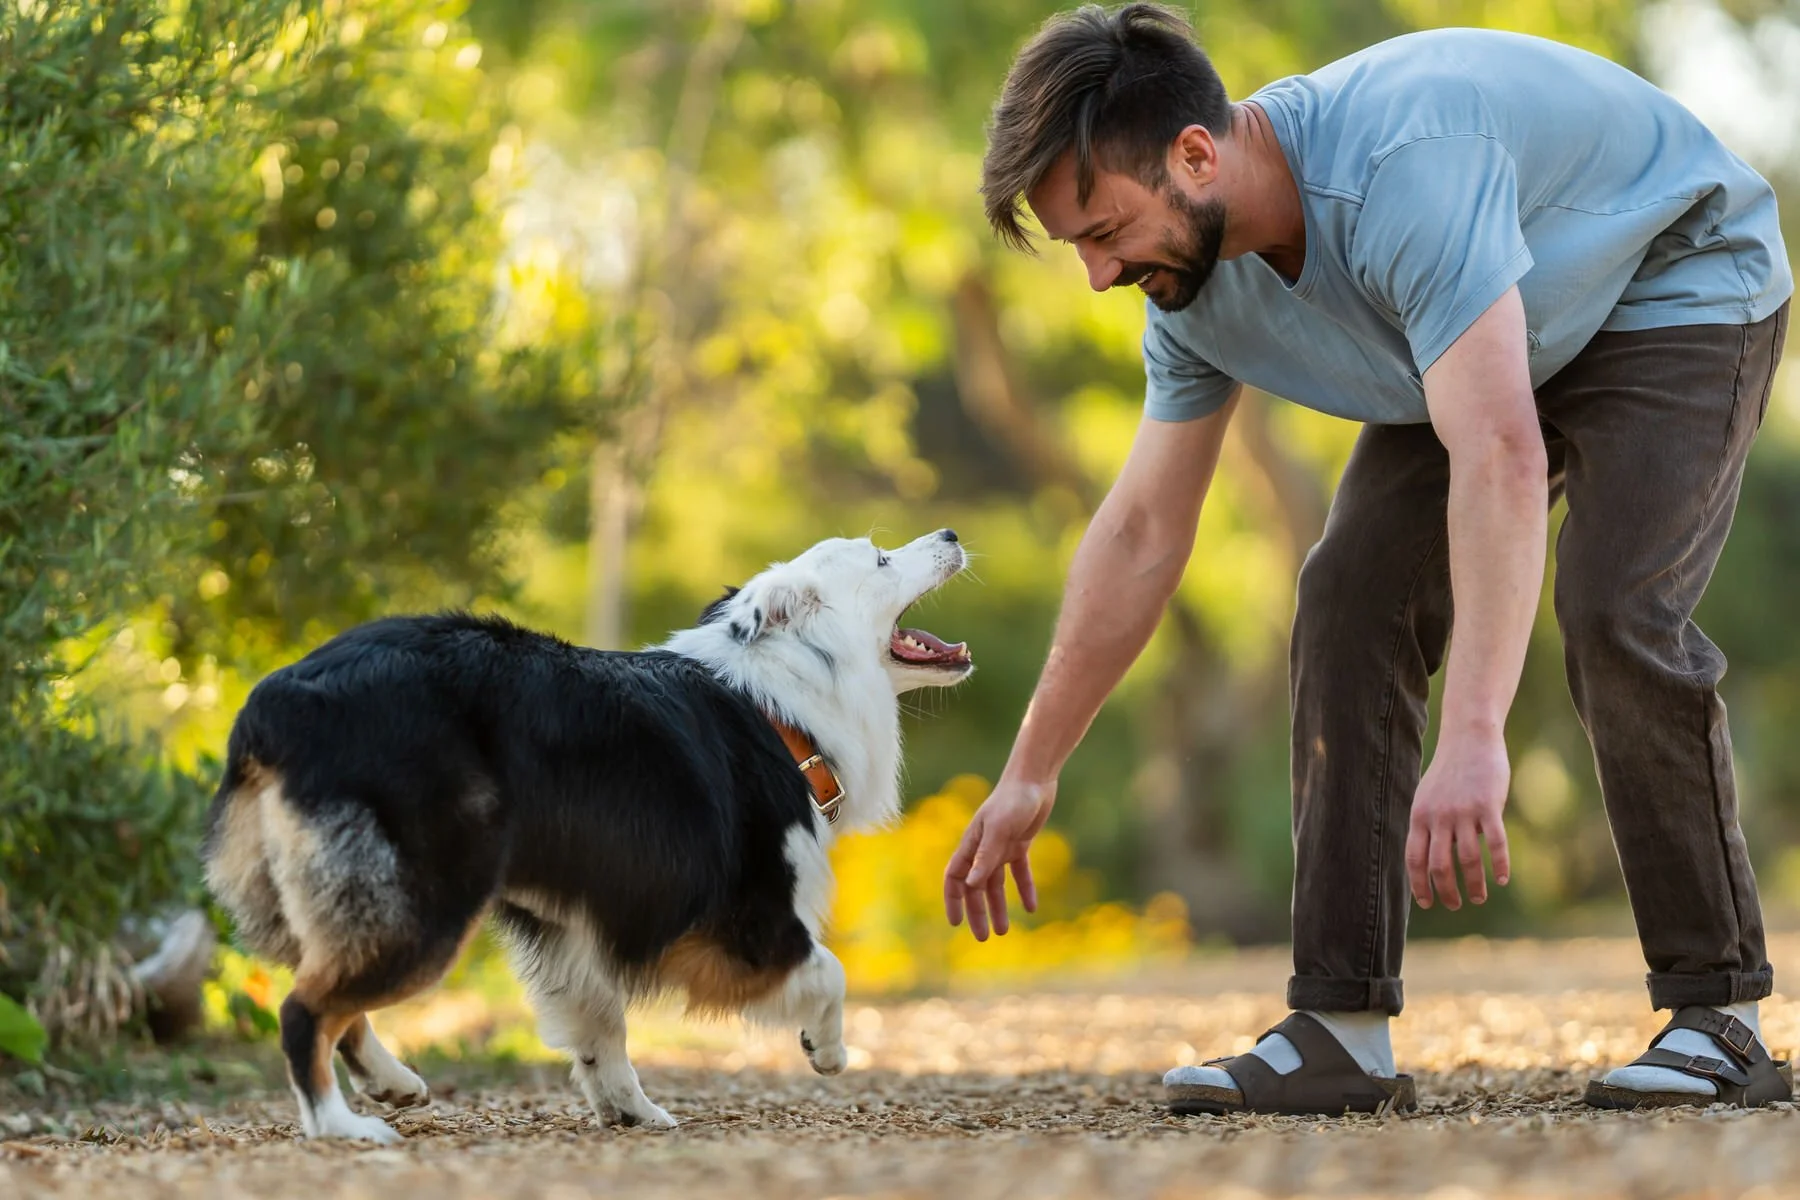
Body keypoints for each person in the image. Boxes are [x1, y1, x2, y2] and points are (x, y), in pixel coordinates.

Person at [944, 2, 1793, 1114]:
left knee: (1614, 605)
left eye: (1104, 232)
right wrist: (1030, 769)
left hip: (1671, 277)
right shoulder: (1192, 292)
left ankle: (1716, 1016)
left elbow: (1496, 449)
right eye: (1080, 248)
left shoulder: (1401, 171)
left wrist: (1477, 734)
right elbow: (1143, 531)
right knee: (1346, 593)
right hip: (1480, 332)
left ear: (1196, 153)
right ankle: (1341, 1026)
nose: (1099, 277)